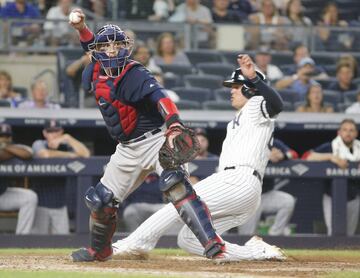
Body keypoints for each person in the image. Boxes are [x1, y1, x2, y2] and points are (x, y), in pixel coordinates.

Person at [69, 9, 227, 262]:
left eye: (117, 44)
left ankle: (213, 243)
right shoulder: (93, 70)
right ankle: (100, 250)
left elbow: (161, 97)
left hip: (156, 139)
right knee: (100, 201)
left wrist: (174, 124)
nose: (112, 50)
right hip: (127, 148)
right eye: (106, 46)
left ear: (125, 47)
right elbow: (90, 47)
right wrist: (81, 29)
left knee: (176, 186)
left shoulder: (135, 72)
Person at [112, 54, 285, 261]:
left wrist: (255, 79)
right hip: (244, 189)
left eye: (237, 86)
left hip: (238, 180)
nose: (231, 90)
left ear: (250, 89)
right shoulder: (239, 118)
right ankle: (257, 252)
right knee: (188, 239)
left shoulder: (256, 104)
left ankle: (132, 244)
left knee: (178, 203)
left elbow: (276, 104)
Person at [30, 119, 90, 235]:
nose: (54, 134)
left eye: (56, 131)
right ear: (45, 133)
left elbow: (86, 154)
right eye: (50, 131)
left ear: (61, 132)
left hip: (60, 206)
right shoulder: (39, 143)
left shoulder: (66, 146)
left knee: (63, 242)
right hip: (40, 205)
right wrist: (70, 156)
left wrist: (68, 138)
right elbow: (45, 155)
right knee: (37, 243)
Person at [303, 119, 360, 236]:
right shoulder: (330, 146)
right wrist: (330, 157)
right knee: (333, 232)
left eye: (351, 130)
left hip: (354, 197)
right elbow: (307, 156)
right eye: (344, 130)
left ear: (356, 133)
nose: (348, 133)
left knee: (350, 234)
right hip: (332, 196)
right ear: (339, 132)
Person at [238, 139, 297, 236]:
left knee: (288, 201)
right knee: (246, 236)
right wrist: (266, 156)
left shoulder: (272, 142)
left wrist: (283, 156)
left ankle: (274, 235)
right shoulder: (245, 142)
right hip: (247, 196)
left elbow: (293, 154)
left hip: (267, 194)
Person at [0, 123, 37, 235]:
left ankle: (22, 238)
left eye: (7, 136)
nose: (5, 138)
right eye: (1, 136)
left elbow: (28, 153)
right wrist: (11, 151)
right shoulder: (12, 150)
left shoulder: (11, 147)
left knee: (30, 197)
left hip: (2, 194)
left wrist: (5, 147)